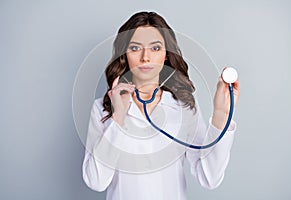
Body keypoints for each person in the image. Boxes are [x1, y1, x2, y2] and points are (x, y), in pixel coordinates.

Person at [82, 11, 240, 200]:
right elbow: (96, 181)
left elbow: (209, 177)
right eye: (135, 48)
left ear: (166, 55)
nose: (145, 57)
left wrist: (221, 115)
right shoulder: (102, 108)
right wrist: (118, 118)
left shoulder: (184, 106)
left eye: (155, 48)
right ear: (125, 54)